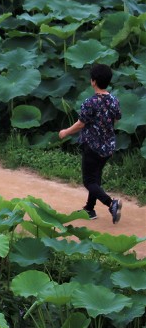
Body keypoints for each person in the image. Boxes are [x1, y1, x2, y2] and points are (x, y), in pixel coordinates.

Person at [58, 63, 122, 223]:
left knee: (89, 181)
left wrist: (65, 132)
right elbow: (115, 119)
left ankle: (111, 203)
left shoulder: (90, 102)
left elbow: (81, 123)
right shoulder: (114, 100)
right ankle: (89, 209)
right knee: (96, 177)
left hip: (93, 147)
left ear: (93, 81)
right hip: (108, 147)